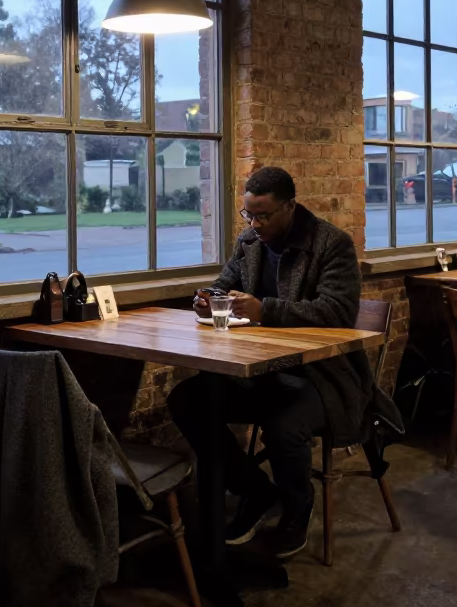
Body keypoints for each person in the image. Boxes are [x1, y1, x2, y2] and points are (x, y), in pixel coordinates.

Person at [168, 166, 394, 560]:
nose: (254, 224)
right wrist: (209, 297)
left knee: (283, 421)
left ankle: (296, 509)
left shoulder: (330, 244)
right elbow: (225, 283)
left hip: (324, 376)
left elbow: (338, 311)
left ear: (290, 206)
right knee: (189, 398)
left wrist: (263, 310)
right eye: (248, 215)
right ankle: (255, 490)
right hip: (262, 370)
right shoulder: (250, 241)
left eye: (263, 215)